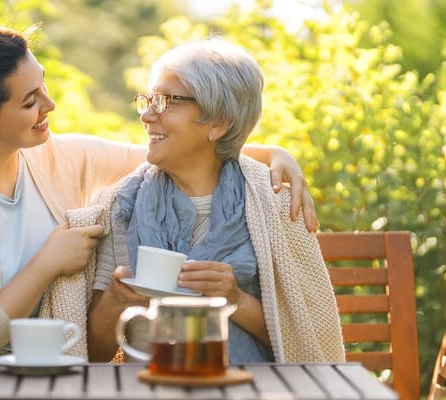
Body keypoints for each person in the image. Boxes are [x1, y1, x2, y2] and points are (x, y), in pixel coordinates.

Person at [0, 23, 320, 394]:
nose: (51, 104)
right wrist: (46, 265)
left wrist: (273, 152)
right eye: (30, 101)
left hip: (34, 375)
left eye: (43, 86)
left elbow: (170, 149)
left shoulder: (54, 156)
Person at [88, 37, 345, 364]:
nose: (147, 116)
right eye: (149, 100)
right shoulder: (122, 205)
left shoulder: (273, 201)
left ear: (219, 122)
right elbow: (94, 354)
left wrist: (233, 298)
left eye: (167, 101)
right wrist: (115, 299)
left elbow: (306, 340)